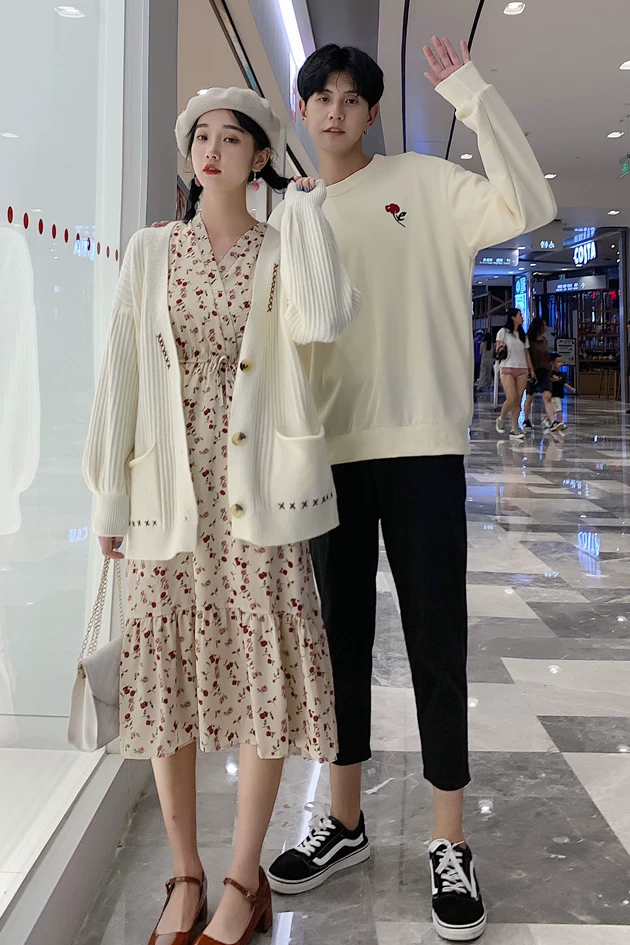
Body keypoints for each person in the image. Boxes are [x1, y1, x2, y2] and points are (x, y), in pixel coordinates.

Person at [266, 37, 556, 943]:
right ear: (303, 110)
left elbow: (533, 202)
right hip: (330, 453)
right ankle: (344, 819)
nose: (335, 111)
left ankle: (449, 837)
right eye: (321, 97)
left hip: (424, 447)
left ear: (373, 112)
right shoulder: (294, 213)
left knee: (436, 639)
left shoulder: (424, 185)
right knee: (338, 644)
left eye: (351, 98)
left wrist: (472, 93)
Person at [82, 87, 360, 945]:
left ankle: (244, 877)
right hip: (169, 501)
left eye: (231, 137)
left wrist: (308, 218)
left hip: (256, 506)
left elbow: (328, 320)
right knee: (166, 682)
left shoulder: (282, 248)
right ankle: (184, 874)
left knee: (264, 677)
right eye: (200, 136)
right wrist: (110, 495)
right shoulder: (149, 250)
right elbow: (122, 369)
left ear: (260, 156)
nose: (211, 149)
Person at [494, 309, 533, 440]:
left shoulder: (523, 335)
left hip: (522, 369)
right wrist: (500, 347)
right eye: (519, 315)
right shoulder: (503, 332)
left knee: (518, 399)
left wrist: (531, 370)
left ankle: (514, 428)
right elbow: (498, 348)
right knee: (511, 397)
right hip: (507, 367)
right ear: (512, 317)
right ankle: (501, 417)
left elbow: (526, 354)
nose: (522, 317)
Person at [523, 317, 560, 432]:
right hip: (533, 371)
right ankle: (526, 419)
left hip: (545, 371)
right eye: (544, 325)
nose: (546, 327)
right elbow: (527, 356)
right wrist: (530, 371)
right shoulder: (529, 341)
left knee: (547, 396)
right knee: (530, 396)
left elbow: (546, 356)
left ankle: (552, 421)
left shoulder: (545, 341)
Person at [550, 353, 575, 429]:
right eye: (558, 362)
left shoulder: (560, 374)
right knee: (558, 409)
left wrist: (570, 388)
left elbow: (564, 383)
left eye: (561, 361)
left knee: (554, 410)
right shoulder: (550, 373)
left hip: (560, 394)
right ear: (552, 363)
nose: (560, 364)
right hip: (554, 395)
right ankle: (561, 423)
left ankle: (546, 420)